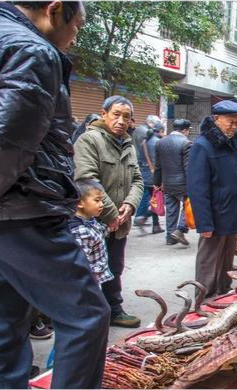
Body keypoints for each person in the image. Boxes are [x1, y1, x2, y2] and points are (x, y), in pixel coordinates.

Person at [0, 1, 110, 389]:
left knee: (0, 322)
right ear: (55, 10)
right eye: (78, 24)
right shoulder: (31, 50)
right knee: (86, 315)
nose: (76, 36)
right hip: (19, 209)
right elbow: (3, 146)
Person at [74, 95, 144, 328]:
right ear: (104, 114)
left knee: (114, 266)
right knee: (90, 269)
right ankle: (89, 315)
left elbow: (138, 179)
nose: (121, 120)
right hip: (93, 222)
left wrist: (130, 205)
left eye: (126, 116)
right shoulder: (89, 140)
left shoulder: (128, 143)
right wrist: (111, 213)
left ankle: (114, 308)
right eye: (116, 114)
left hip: (120, 221)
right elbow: (87, 179)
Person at [187, 101, 237, 296]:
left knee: (226, 260)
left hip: (231, 212)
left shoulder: (233, 143)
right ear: (216, 119)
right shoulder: (202, 147)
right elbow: (197, 189)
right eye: (230, 122)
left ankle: (222, 294)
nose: (234, 126)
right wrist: (204, 223)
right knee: (209, 260)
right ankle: (203, 298)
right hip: (214, 215)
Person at [68, 179, 114, 285]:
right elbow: (81, 263)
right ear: (80, 203)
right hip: (89, 282)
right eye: (97, 200)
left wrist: (111, 227)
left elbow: (99, 231)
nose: (102, 204)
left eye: (101, 200)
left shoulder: (90, 220)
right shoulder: (81, 231)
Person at [155, 118, 192, 245]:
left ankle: (170, 237)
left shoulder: (160, 143)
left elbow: (158, 166)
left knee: (171, 209)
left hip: (167, 183)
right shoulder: (186, 143)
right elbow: (188, 167)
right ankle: (180, 229)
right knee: (189, 206)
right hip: (183, 184)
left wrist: (157, 183)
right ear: (185, 130)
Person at [134, 124, 164, 234]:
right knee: (157, 199)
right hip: (153, 175)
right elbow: (156, 161)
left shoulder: (144, 142)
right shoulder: (156, 142)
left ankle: (155, 225)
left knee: (150, 198)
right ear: (160, 131)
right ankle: (143, 216)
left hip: (144, 172)